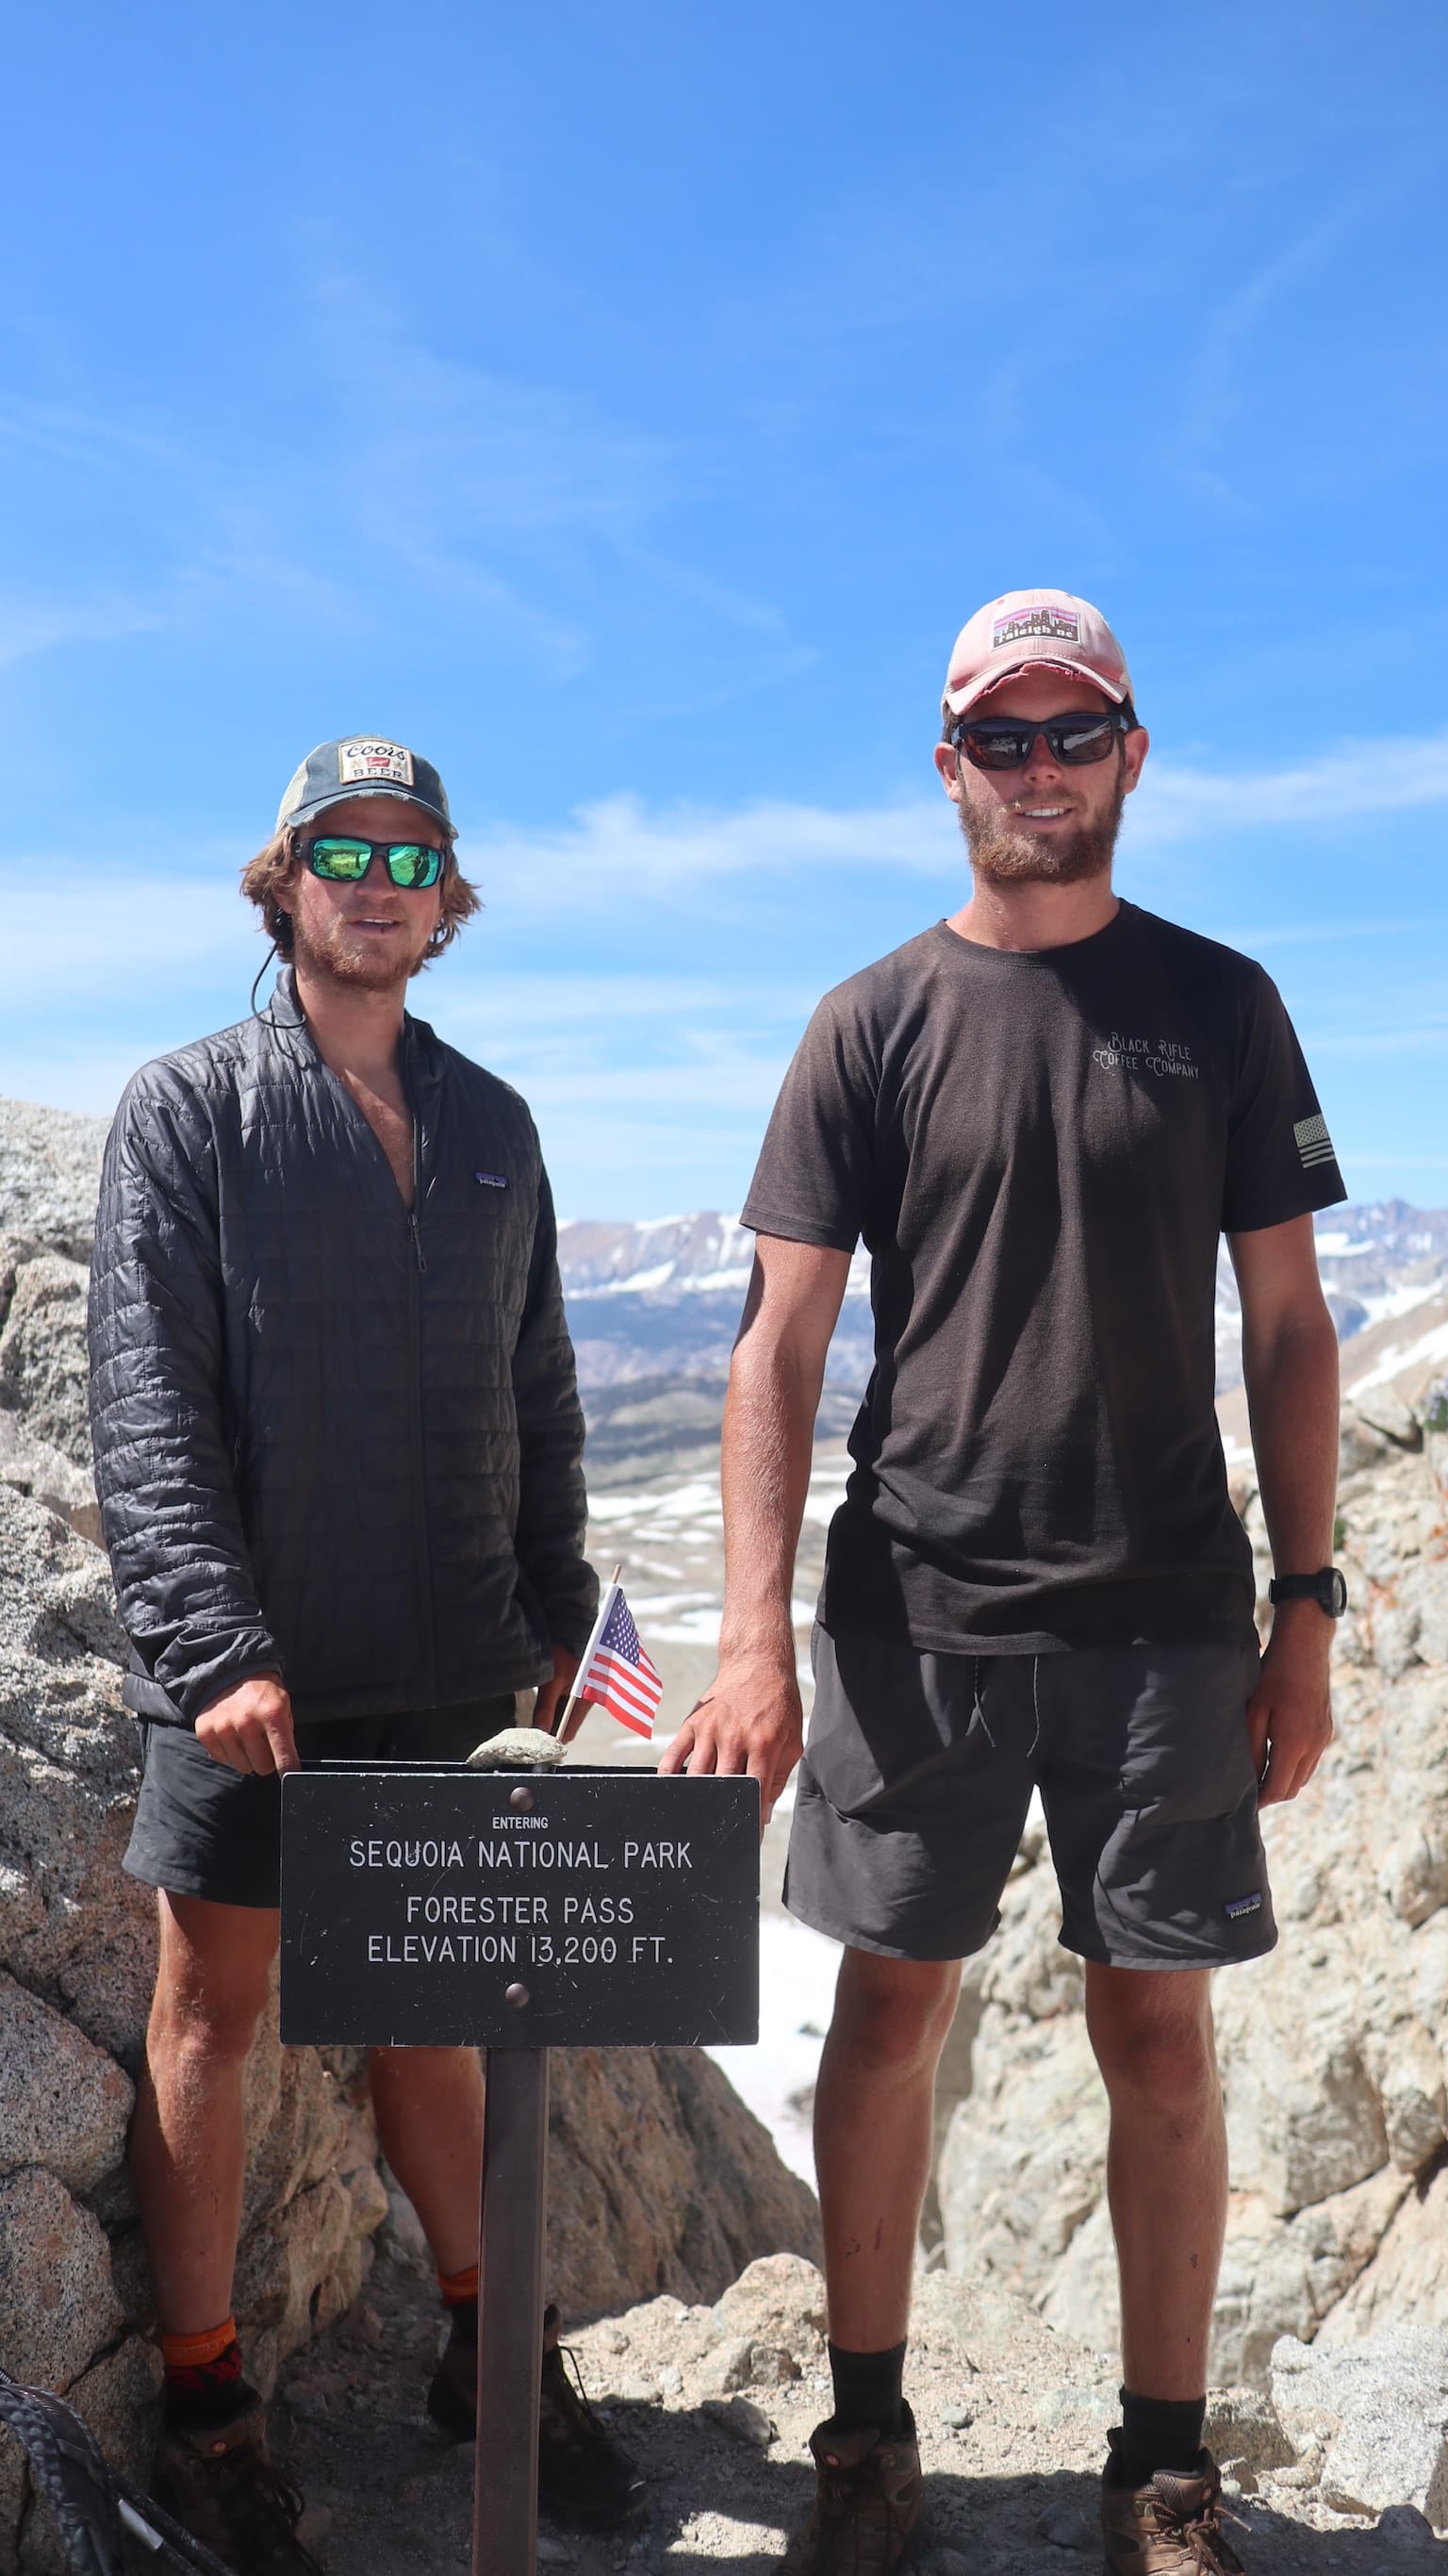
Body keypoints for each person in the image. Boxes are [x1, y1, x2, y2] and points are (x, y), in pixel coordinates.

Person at [662, 593, 1347, 2574]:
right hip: (913, 1613)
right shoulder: (866, 1022)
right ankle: (868, 2444)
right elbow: (776, 1346)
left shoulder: (1223, 1004)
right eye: (1002, 738)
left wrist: (1306, 1603)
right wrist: (751, 1637)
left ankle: (1160, 2466)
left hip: (1165, 1617)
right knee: (887, 2021)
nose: (1038, 770)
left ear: (1135, 753)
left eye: (1075, 732)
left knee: (1160, 2040)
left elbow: (1290, 1325)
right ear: (946, 765)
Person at [88, 737, 642, 2570]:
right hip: (252, 1683)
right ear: (286, 878)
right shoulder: (191, 1109)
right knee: (210, 2018)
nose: (380, 876)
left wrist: (557, 1610)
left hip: (448, 1667)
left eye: (415, 850)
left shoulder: (493, 1123)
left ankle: (490, 2351)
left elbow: (540, 1391)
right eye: (344, 844)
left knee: (437, 2014)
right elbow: (147, 1401)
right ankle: (206, 2396)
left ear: (450, 895)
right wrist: (212, 1641)